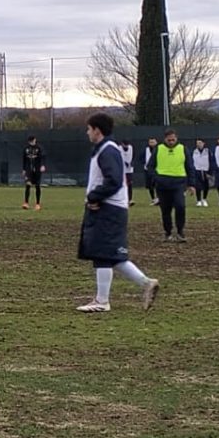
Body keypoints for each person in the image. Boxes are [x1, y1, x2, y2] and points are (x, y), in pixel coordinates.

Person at [76, 112, 159, 313]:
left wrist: (95, 197)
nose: (87, 133)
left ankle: (102, 301)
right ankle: (146, 283)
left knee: (103, 253)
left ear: (97, 130)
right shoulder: (105, 150)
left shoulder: (108, 150)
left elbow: (113, 180)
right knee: (112, 255)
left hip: (109, 209)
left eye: (89, 129)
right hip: (111, 208)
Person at [151, 128, 189, 243]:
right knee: (165, 210)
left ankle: (180, 231)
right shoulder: (158, 149)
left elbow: (189, 166)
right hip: (162, 184)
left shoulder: (183, 149)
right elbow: (150, 166)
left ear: (176, 138)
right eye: (169, 140)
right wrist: (156, 178)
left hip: (178, 183)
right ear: (165, 139)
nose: (171, 142)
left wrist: (192, 184)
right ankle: (168, 232)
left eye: (173, 140)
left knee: (180, 206)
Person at [21, 136, 46, 210]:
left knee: (37, 185)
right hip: (28, 170)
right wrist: (24, 169)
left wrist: (42, 165)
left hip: (37, 169)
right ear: (29, 141)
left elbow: (43, 157)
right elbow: (24, 159)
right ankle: (26, 203)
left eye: (33, 141)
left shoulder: (39, 148)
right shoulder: (26, 149)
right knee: (28, 184)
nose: (33, 142)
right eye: (31, 141)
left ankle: (37, 204)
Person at [190, 138, 212, 207]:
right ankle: (198, 200)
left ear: (203, 143)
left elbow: (211, 161)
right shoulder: (194, 151)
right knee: (198, 186)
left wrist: (210, 172)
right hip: (197, 170)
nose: (198, 144)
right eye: (197, 143)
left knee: (206, 186)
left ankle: (204, 199)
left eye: (200, 143)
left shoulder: (207, 151)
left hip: (205, 170)